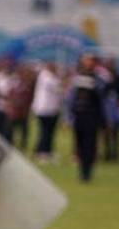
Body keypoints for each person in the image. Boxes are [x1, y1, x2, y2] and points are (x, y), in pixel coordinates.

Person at [67, 52, 107, 183]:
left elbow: (102, 97)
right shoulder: (77, 78)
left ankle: (87, 173)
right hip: (79, 115)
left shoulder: (98, 79)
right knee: (79, 145)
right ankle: (81, 172)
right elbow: (71, 98)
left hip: (91, 116)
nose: (89, 63)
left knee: (89, 145)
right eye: (86, 60)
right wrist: (69, 116)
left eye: (91, 61)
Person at [31, 61, 62, 163]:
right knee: (45, 132)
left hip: (50, 109)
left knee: (49, 132)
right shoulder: (46, 76)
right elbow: (58, 88)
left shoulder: (47, 76)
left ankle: (47, 151)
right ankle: (42, 152)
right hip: (45, 109)